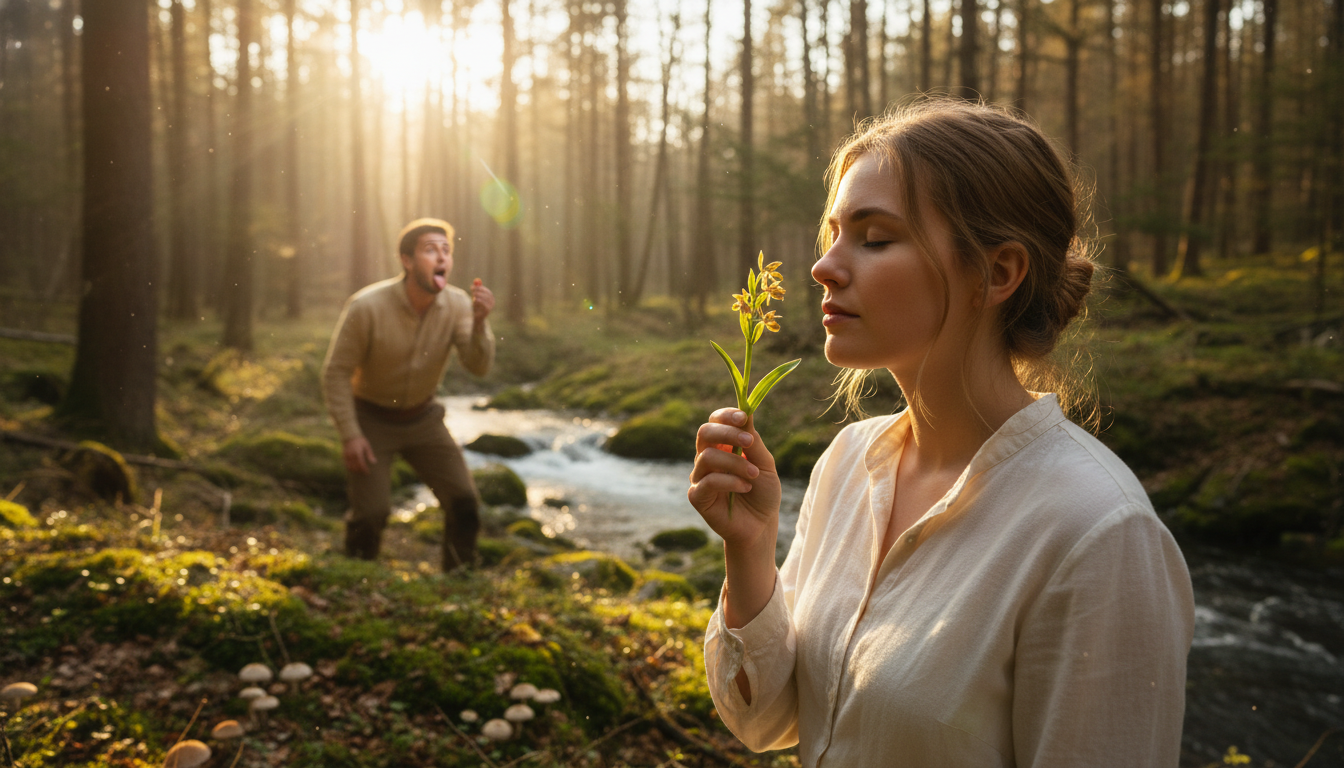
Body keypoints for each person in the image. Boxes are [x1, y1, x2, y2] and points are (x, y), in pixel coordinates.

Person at [688, 100, 1195, 766]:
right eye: (834, 234)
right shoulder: (849, 461)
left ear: (998, 272)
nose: (824, 268)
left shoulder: (1099, 534)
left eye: (874, 238)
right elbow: (769, 720)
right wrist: (750, 551)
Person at [322, 218, 495, 570]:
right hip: (370, 419)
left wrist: (479, 323)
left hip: (424, 419)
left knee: (464, 502)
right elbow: (336, 373)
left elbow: (477, 366)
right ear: (407, 260)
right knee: (371, 514)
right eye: (430, 250)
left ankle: (459, 583)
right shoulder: (366, 306)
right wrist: (350, 435)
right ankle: (356, 579)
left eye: (446, 251)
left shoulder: (460, 304)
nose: (441, 257)